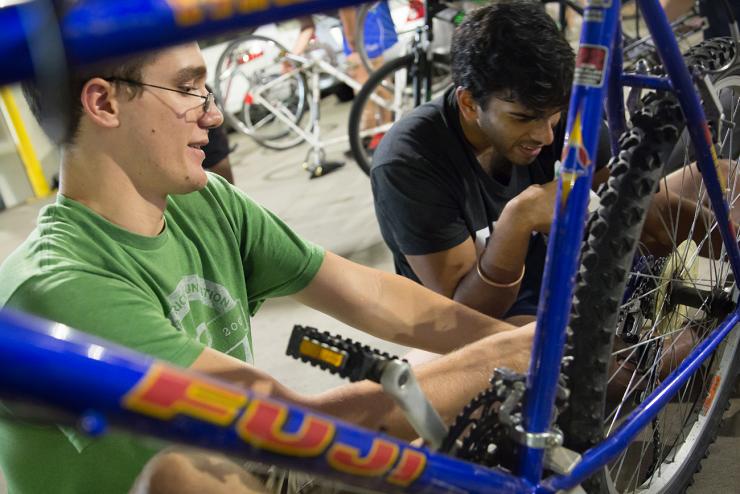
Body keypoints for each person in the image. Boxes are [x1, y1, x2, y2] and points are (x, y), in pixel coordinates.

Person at [0, 38, 533, 494]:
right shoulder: (57, 292)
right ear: (104, 103)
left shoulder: (204, 202)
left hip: (246, 464)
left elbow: (368, 294)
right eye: (188, 89)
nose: (213, 114)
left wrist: (528, 348)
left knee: (449, 372)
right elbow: (288, 430)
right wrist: (499, 357)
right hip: (244, 460)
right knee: (181, 475)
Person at [371, 0, 612, 324]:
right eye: (523, 118)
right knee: (591, 365)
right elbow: (469, 315)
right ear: (469, 103)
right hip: (485, 326)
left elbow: (623, 205)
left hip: (566, 285)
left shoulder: (558, 108)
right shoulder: (409, 163)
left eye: (552, 116)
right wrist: (518, 219)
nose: (545, 136)